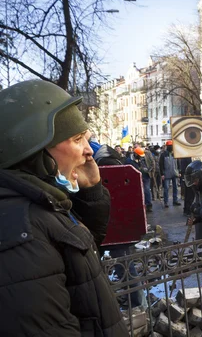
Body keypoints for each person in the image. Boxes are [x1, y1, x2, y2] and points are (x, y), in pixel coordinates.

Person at [0, 80, 127, 336]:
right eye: (78, 139)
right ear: (35, 150)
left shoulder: (39, 204)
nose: (88, 151)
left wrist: (90, 192)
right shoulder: (22, 229)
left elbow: (80, 261)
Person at [126, 147, 154, 212]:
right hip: (135, 178)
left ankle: (148, 205)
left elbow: (151, 163)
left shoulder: (143, 157)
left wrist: (148, 170)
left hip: (145, 176)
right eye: (139, 156)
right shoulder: (129, 161)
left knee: (147, 190)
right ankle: (140, 205)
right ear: (135, 154)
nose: (140, 157)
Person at [159, 140, 181, 207]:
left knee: (175, 188)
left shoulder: (175, 154)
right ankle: (166, 202)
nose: (170, 147)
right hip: (166, 173)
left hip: (175, 173)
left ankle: (175, 200)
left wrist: (179, 172)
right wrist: (162, 174)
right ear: (167, 146)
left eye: (171, 146)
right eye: (169, 146)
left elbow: (178, 163)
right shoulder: (163, 155)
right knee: (166, 188)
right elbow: (161, 164)